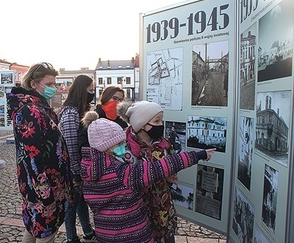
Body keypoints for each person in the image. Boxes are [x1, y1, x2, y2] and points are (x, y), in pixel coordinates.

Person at [80, 117, 214, 243]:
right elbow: (158, 168)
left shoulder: (89, 169)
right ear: (108, 147)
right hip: (133, 235)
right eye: (120, 143)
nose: (124, 146)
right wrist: (197, 155)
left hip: (105, 233)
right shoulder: (119, 171)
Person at [118, 100, 213, 243]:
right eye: (156, 121)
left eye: (161, 120)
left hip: (163, 207)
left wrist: (170, 176)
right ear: (141, 124)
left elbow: (172, 163)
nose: (161, 125)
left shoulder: (163, 144)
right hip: (141, 212)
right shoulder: (125, 149)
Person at [7, 62, 70, 243]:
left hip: (44, 183)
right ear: (34, 84)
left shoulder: (39, 107)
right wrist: (44, 191)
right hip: (42, 185)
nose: (54, 88)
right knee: (46, 233)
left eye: (54, 84)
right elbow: (32, 155)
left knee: (35, 228)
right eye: (49, 84)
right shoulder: (30, 111)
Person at [58, 75, 96, 243]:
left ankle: (87, 232)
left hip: (79, 168)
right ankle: (71, 237)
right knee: (71, 204)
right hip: (72, 170)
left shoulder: (79, 111)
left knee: (80, 201)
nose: (93, 93)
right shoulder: (71, 114)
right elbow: (72, 148)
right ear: (82, 91)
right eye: (91, 90)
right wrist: (76, 174)